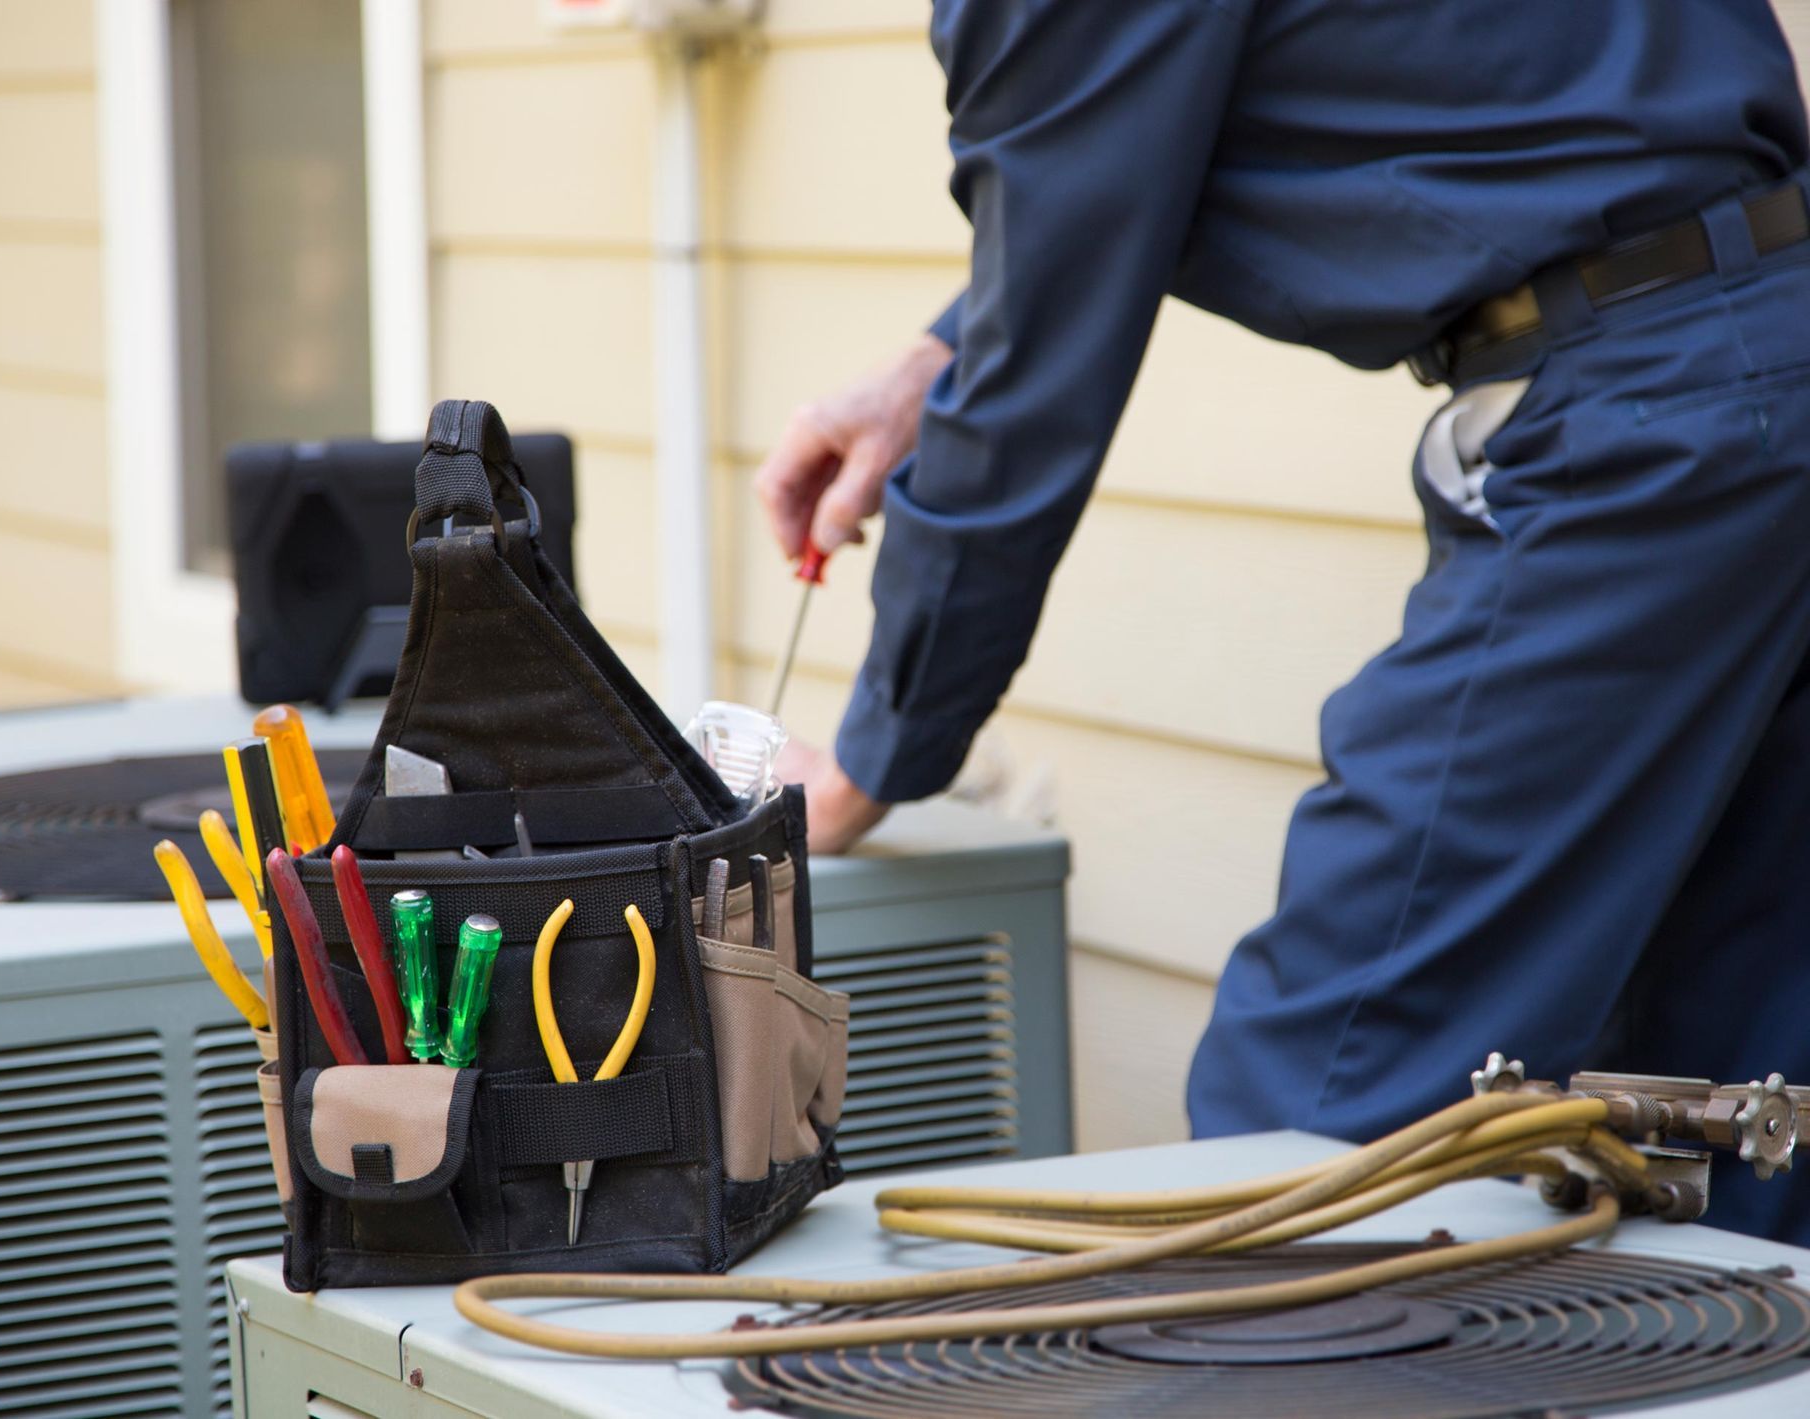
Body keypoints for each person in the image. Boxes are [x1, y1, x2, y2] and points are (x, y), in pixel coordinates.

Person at [756, 2, 1810, 1239]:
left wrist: (873, 764)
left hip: (1655, 425)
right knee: (1724, 1108)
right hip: (1756, 359)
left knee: (1316, 1118)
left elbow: (1036, 373)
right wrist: (939, 359)